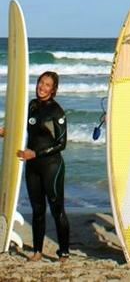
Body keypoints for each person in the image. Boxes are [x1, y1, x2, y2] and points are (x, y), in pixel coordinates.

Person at [0, 71, 70, 262]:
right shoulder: (31, 105)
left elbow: (61, 143)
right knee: (37, 210)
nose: (42, 87)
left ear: (53, 89)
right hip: (32, 167)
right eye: (41, 82)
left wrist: (35, 153)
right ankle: (37, 251)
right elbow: (23, 127)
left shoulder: (57, 112)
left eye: (47, 85)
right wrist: (7, 131)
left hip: (51, 167)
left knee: (57, 210)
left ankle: (63, 252)